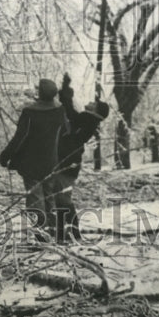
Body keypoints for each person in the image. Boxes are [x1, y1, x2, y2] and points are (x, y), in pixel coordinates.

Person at [0, 78, 69, 242]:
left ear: (40, 93)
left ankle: (40, 237)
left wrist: (6, 156)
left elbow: (20, 138)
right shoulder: (60, 110)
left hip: (31, 163)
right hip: (52, 161)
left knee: (35, 200)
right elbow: (66, 132)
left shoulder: (29, 112)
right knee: (49, 197)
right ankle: (55, 234)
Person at [56, 74, 110, 240]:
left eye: (94, 103)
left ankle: (68, 233)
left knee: (62, 199)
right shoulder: (88, 121)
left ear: (95, 111)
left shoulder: (87, 120)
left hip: (67, 163)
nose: (91, 102)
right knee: (62, 198)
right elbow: (71, 114)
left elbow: (70, 114)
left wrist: (66, 93)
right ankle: (68, 232)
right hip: (69, 163)